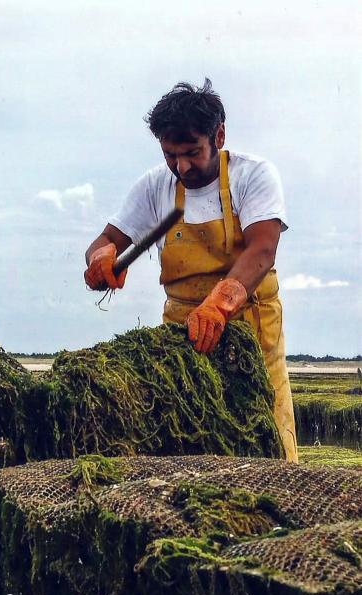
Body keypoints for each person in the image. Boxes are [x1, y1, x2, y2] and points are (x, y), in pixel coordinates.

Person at [84, 79, 298, 462]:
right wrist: (100, 258)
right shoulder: (155, 187)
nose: (181, 167)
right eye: (170, 155)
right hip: (183, 345)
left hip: (252, 336)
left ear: (219, 135)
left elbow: (263, 250)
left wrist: (221, 303)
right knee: (186, 451)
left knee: (269, 448)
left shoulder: (254, 175)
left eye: (192, 153)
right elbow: (104, 239)